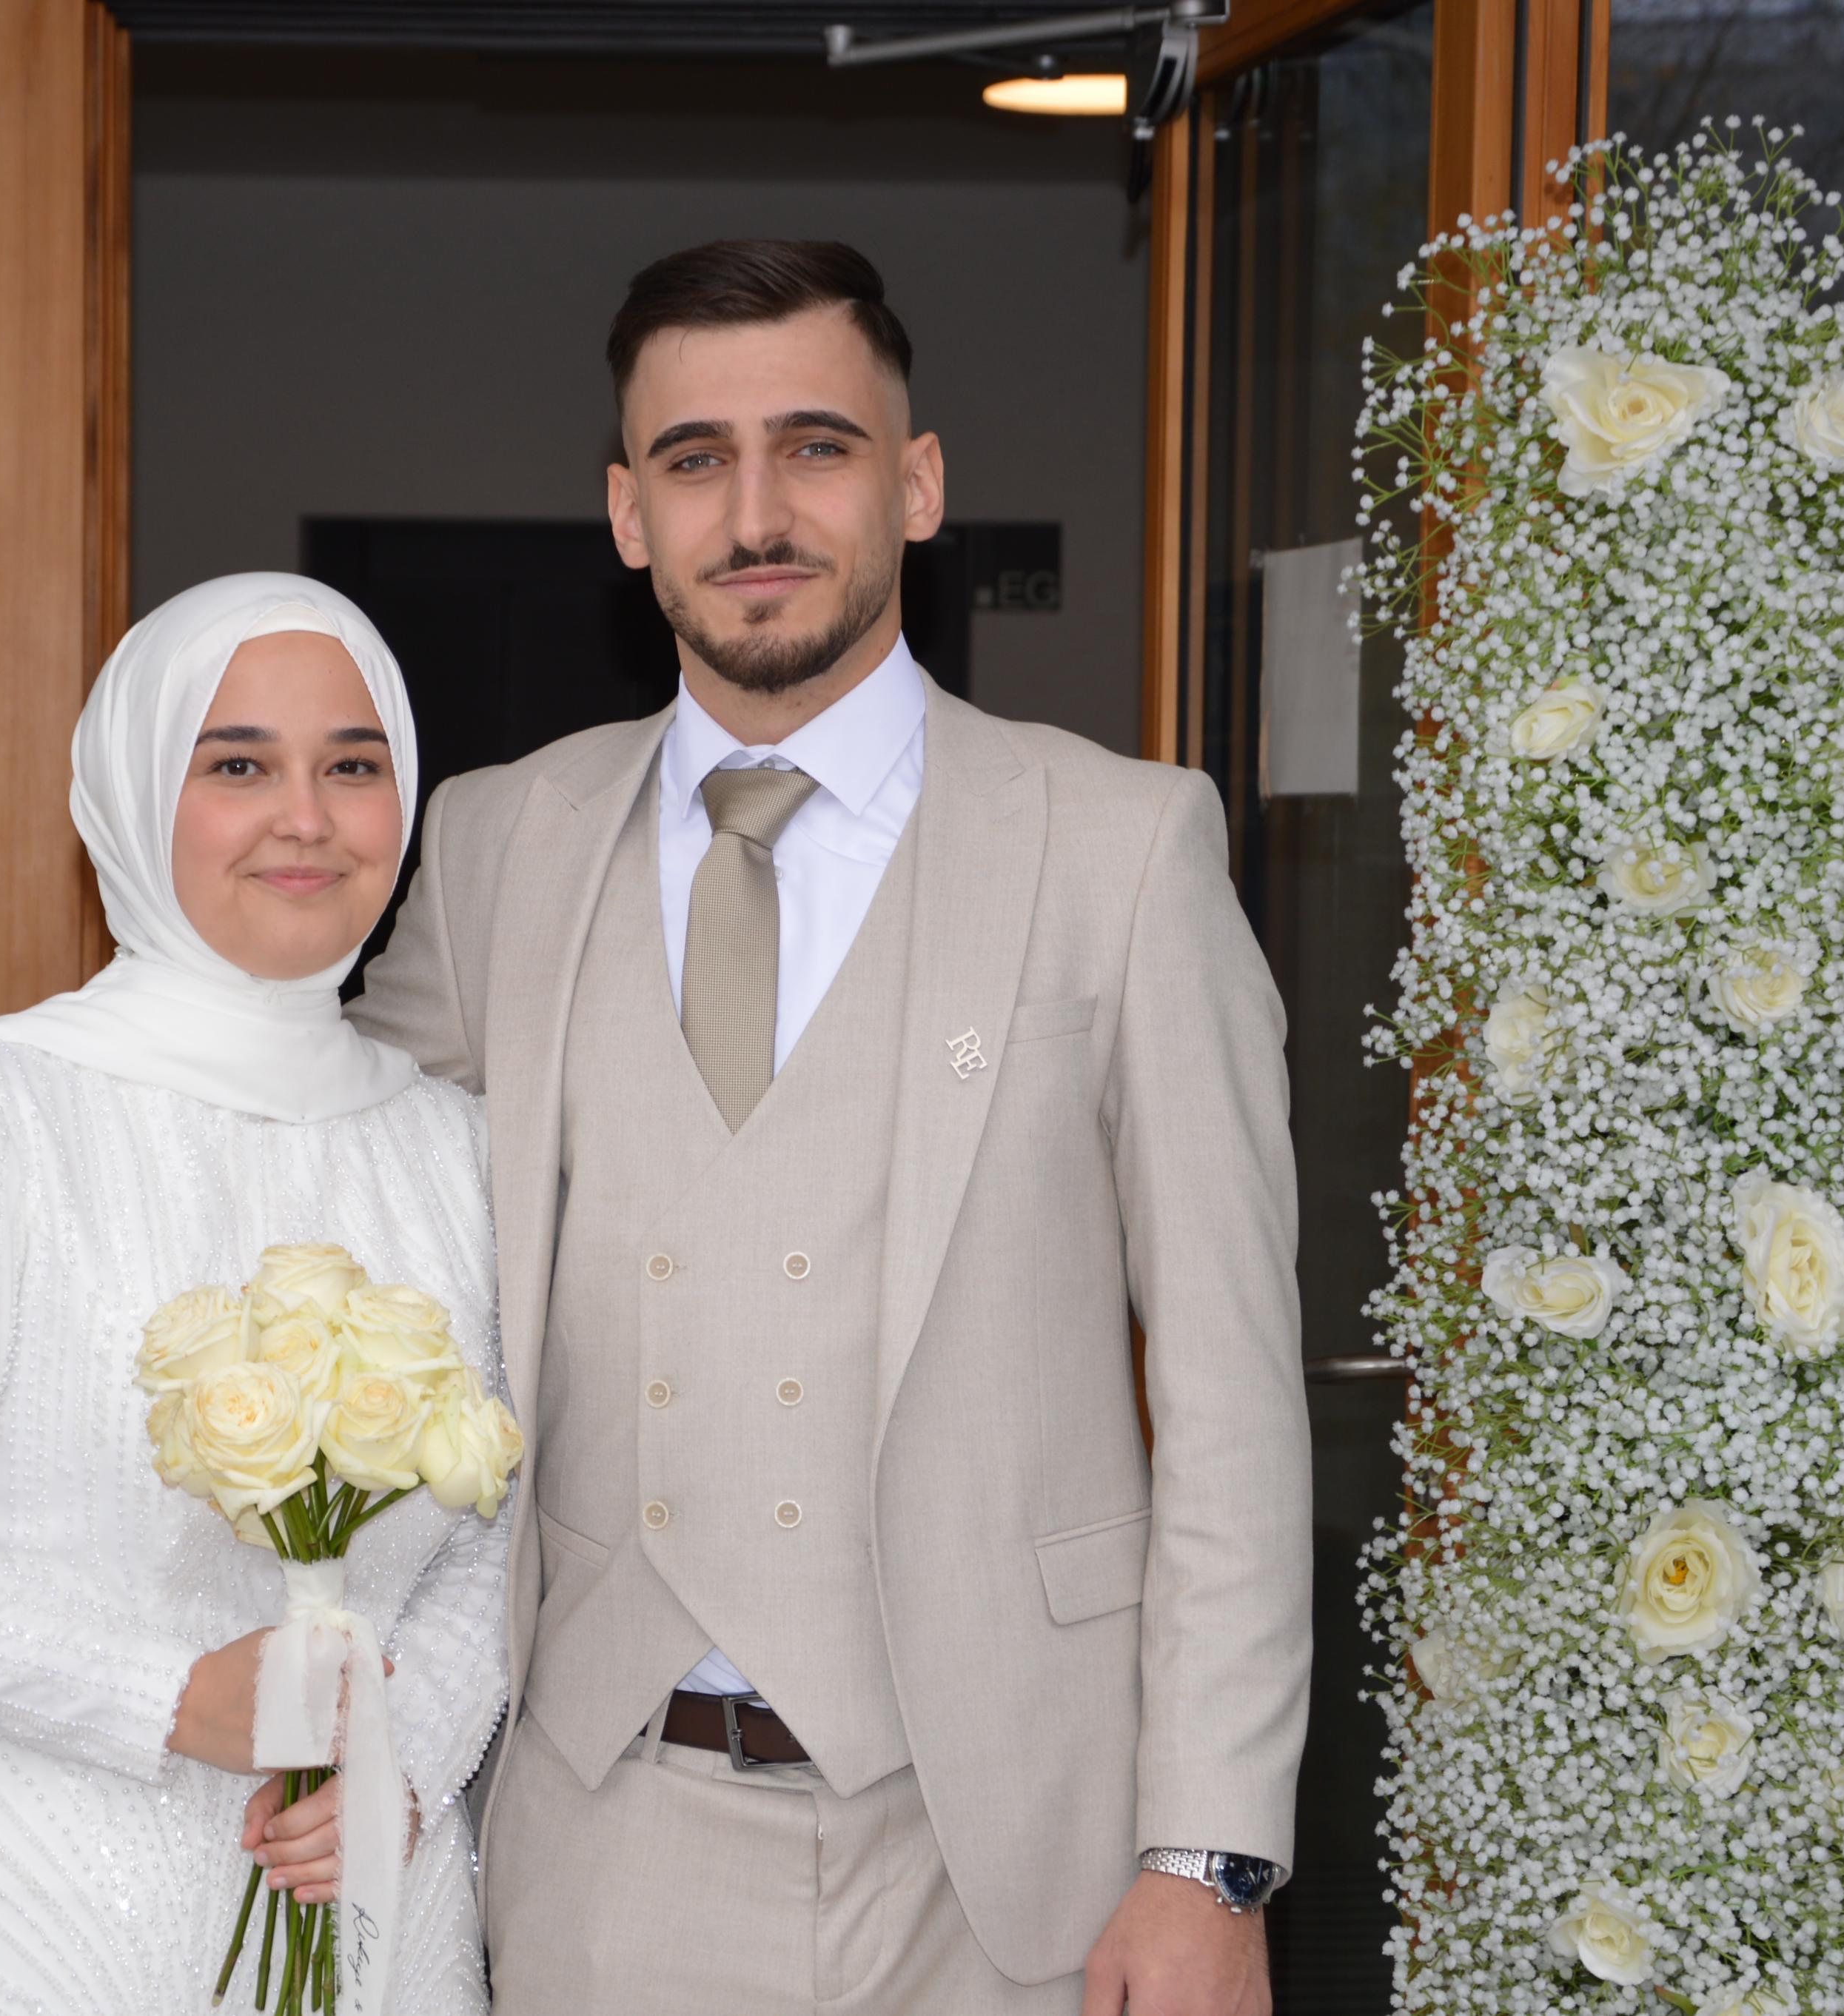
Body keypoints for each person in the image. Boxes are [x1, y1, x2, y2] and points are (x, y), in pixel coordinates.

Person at [349, 240, 1309, 2016]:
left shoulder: (1120, 849)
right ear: (626, 515)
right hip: (598, 1842)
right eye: (694, 460)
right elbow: (337, 1254)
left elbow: (1231, 1395)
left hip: (1006, 1853)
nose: (756, 513)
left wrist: (1207, 1858)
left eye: (815, 446)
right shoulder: (493, 847)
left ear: (916, 485)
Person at [0, 574, 511, 2016]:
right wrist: (167, 1697)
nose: (307, 818)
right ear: (128, 794)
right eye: (237, 766)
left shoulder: (456, 1152)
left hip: (368, 1901)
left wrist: (406, 1762)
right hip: (38, 1915)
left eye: (352, 766)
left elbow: (494, 1538)